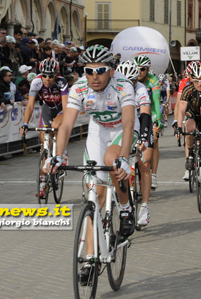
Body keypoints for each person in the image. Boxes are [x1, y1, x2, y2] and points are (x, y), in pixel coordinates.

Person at [45, 45, 136, 283]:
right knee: (94, 195)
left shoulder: (123, 85)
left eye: (101, 70)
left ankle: (126, 208)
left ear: (111, 70)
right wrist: (59, 155)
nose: (94, 76)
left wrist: (124, 158)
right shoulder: (79, 88)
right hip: (98, 131)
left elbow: (128, 124)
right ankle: (88, 258)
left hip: (121, 131)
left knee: (112, 161)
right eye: (88, 70)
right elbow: (66, 125)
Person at [20, 58, 69, 197]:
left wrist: (64, 122)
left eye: (51, 76)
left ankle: (63, 152)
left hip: (61, 109)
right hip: (47, 109)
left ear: (56, 74)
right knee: (44, 146)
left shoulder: (62, 82)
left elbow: (66, 106)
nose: (47, 79)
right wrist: (25, 123)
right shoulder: (36, 82)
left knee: (56, 126)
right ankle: (42, 183)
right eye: (44, 75)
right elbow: (30, 105)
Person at [116, 60, 153, 226]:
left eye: (133, 81)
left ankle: (144, 207)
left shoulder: (141, 89)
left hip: (141, 123)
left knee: (144, 165)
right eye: (126, 81)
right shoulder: (115, 87)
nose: (130, 84)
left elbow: (145, 114)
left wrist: (144, 137)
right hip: (123, 125)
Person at [176, 63, 201, 181]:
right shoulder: (188, 89)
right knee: (189, 128)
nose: (199, 84)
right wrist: (179, 127)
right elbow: (181, 109)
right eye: (196, 81)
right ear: (192, 80)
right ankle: (190, 153)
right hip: (193, 114)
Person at [134, 54, 163, 189]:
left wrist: (158, 119)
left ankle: (154, 174)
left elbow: (156, 102)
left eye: (143, 69)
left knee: (155, 140)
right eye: (137, 69)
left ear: (148, 69)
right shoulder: (131, 79)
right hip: (136, 112)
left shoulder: (153, 80)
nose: (139, 72)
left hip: (150, 111)